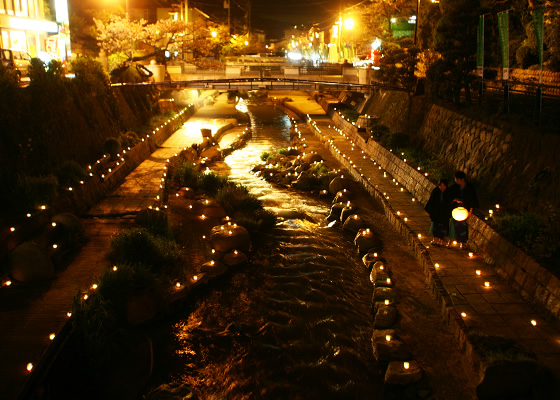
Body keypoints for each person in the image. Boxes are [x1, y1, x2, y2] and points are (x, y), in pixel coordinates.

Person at [449, 171, 479, 249]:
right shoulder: (454, 187)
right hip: (456, 210)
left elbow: (472, 199)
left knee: (463, 226)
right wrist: (454, 200)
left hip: (465, 210)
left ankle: (463, 242)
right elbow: (449, 196)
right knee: (453, 224)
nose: (456, 181)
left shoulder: (470, 188)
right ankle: (451, 241)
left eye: (457, 179)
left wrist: (470, 210)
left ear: (462, 179)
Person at [424, 179, 452, 246]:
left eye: (444, 186)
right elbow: (432, 201)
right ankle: (435, 239)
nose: (442, 188)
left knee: (443, 227)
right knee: (435, 226)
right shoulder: (436, 191)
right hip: (436, 211)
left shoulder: (448, 192)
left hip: (444, 212)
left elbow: (449, 203)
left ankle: (441, 240)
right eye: (441, 186)